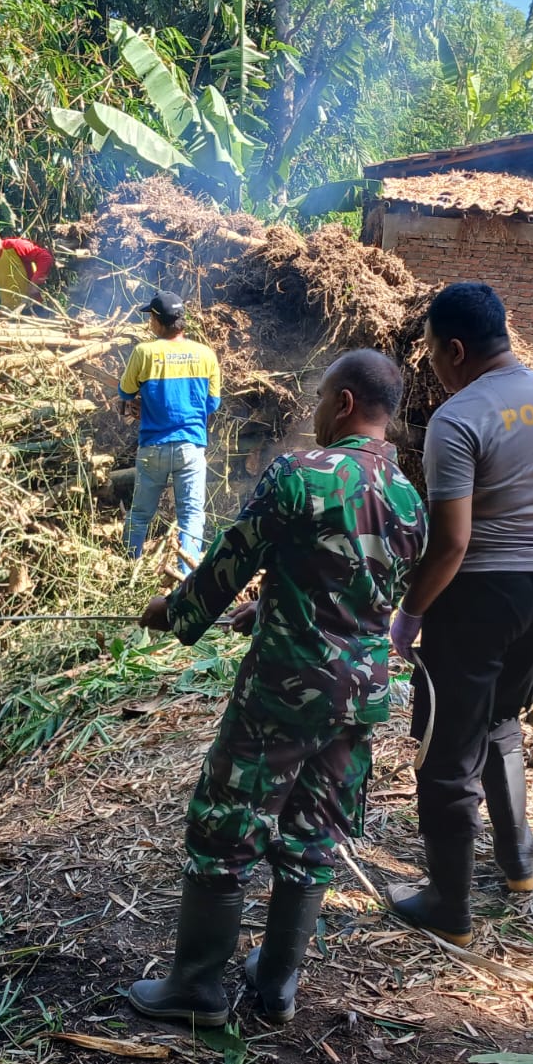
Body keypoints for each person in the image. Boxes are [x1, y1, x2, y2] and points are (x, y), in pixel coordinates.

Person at [127, 349, 427, 1027]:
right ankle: (279, 981)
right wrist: (267, 608)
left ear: (344, 403)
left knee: (224, 826)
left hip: (284, 691)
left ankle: (198, 988)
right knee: (311, 834)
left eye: (322, 398)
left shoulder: (301, 474)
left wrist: (171, 612)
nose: (316, 412)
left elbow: (229, 561)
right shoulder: (411, 497)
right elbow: (362, 587)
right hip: (358, 697)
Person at [386, 281, 533, 947]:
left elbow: (452, 542)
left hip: (477, 597)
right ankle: (517, 864)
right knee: (503, 718)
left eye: (432, 355)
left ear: (454, 349)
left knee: (446, 753)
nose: (433, 368)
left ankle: (448, 906)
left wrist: (410, 613)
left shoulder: (459, 417)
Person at [118, 291, 221, 567]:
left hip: (153, 447)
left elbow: (126, 392)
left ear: (157, 320)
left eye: (150, 317)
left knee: (140, 514)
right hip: (190, 447)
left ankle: (130, 568)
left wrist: (147, 401)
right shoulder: (206, 354)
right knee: (191, 516)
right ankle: (185, 577)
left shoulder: (144, 352)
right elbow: (212, 403)